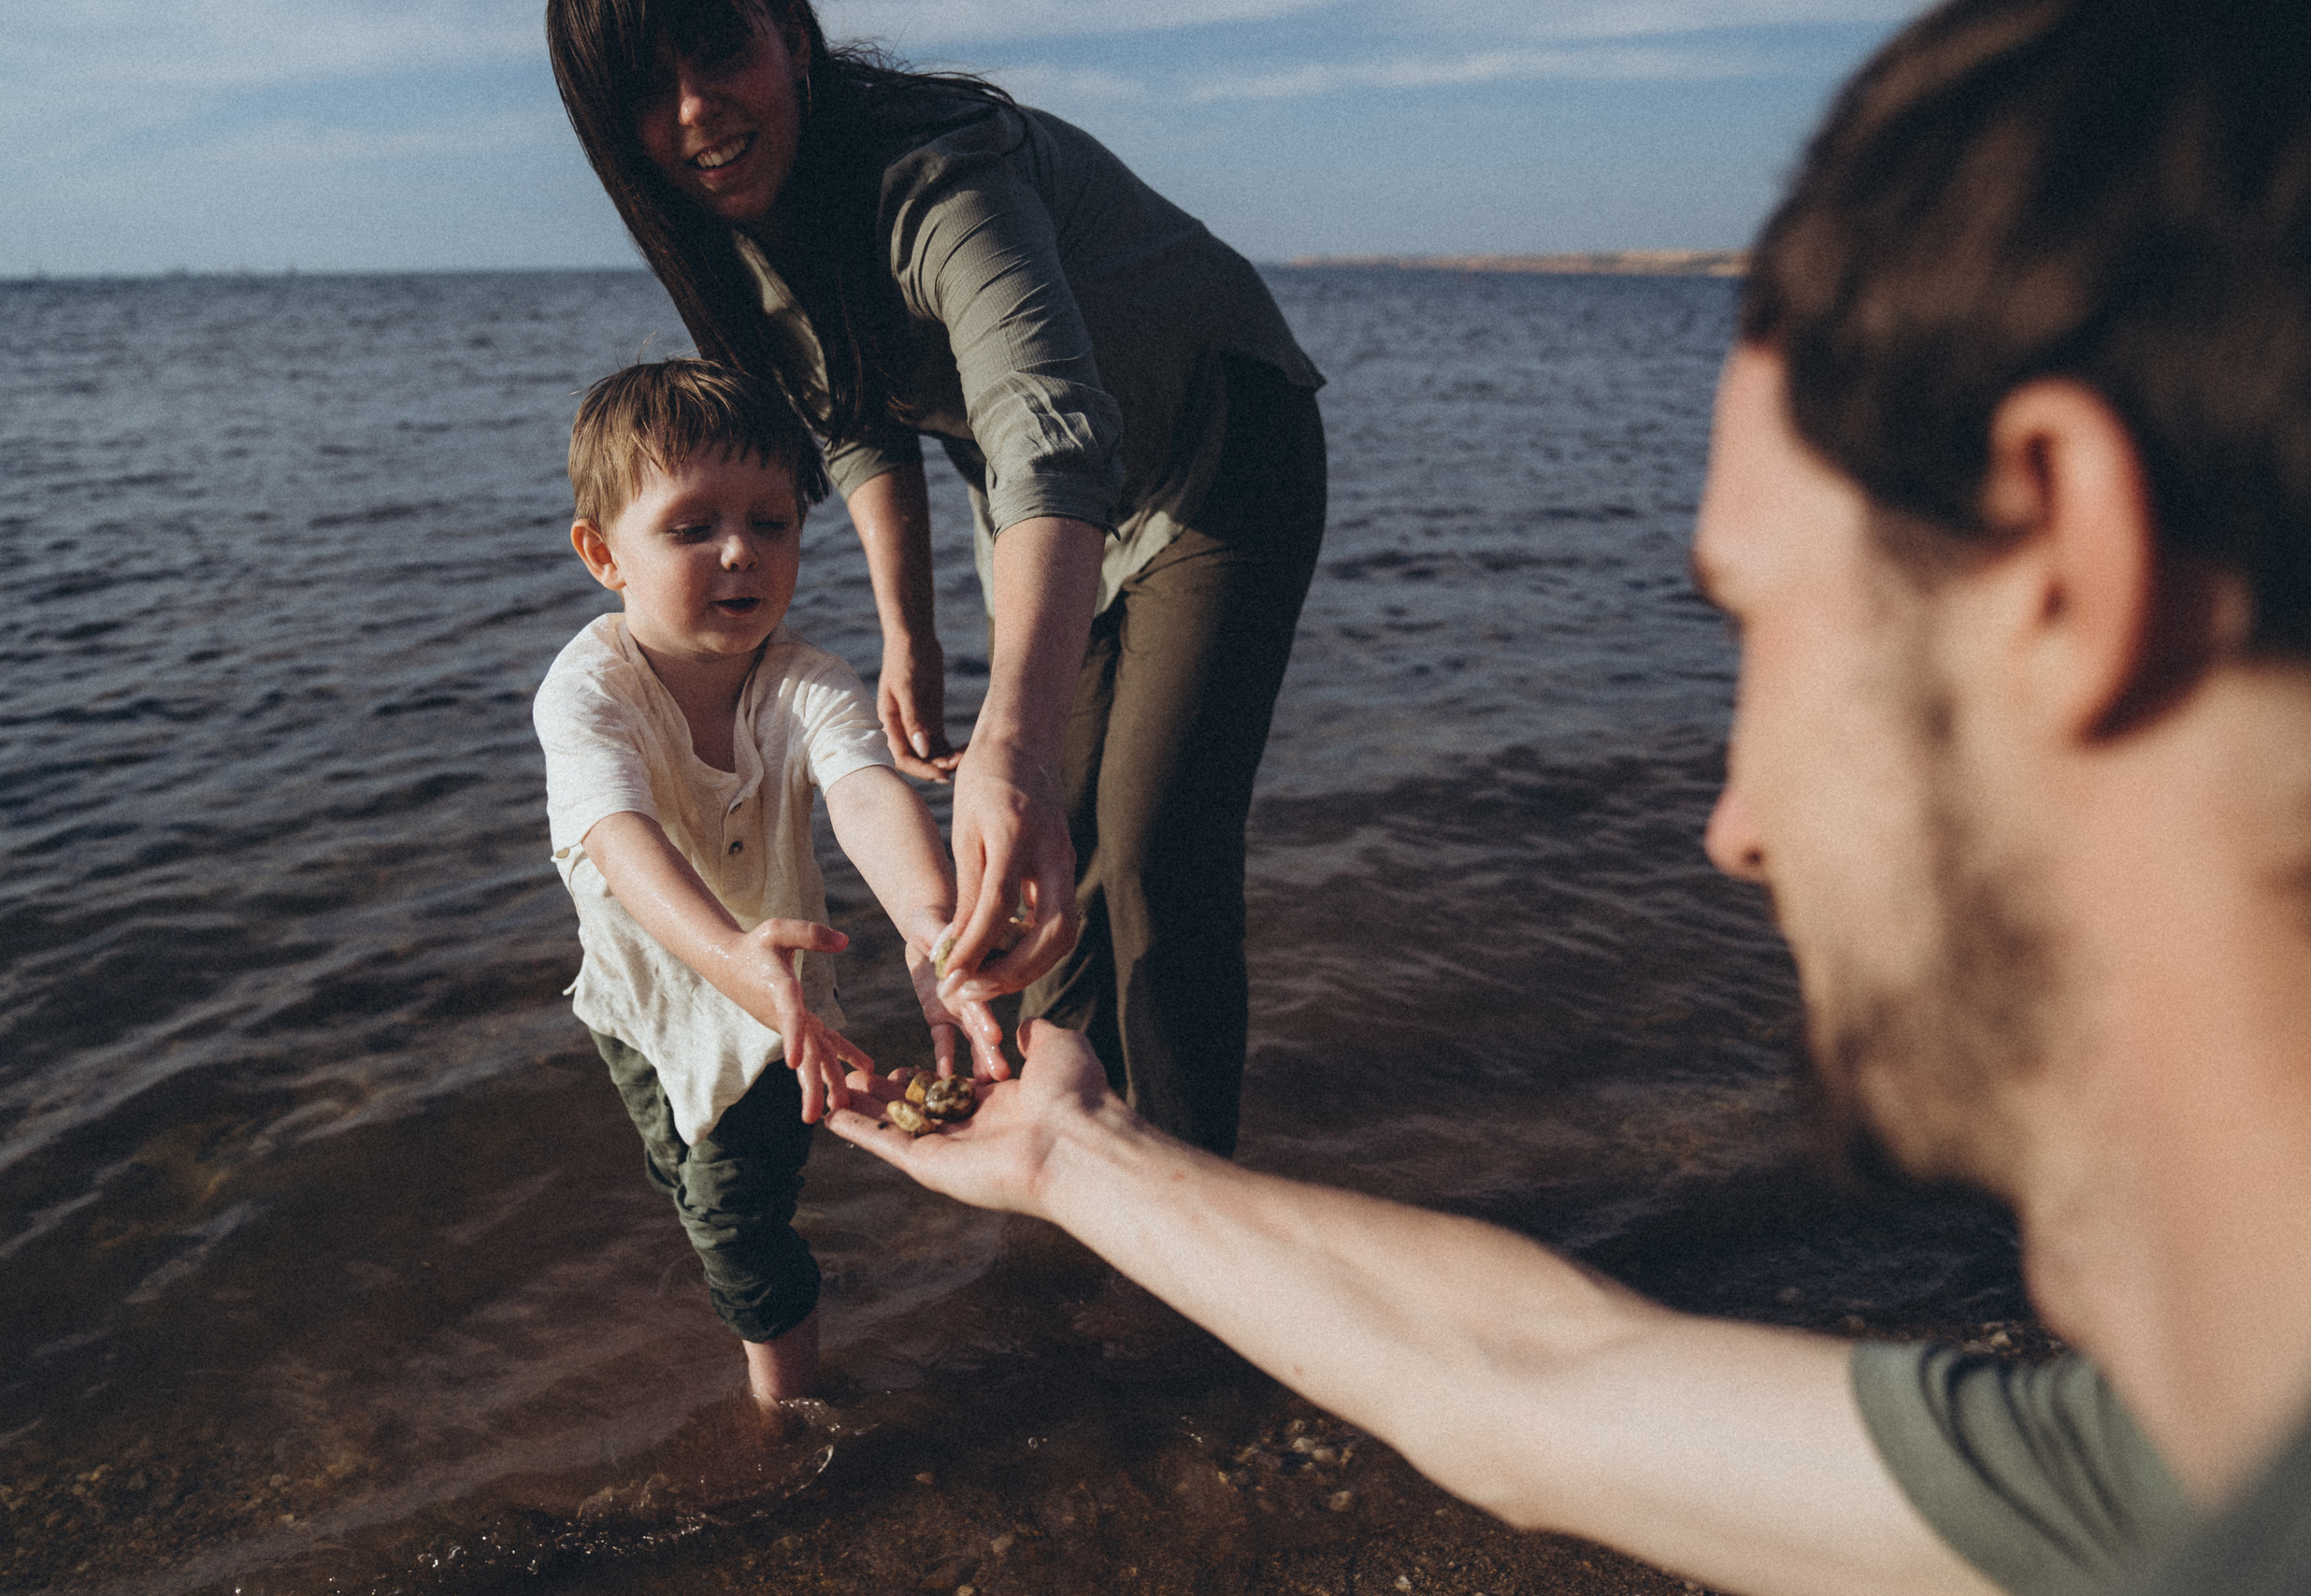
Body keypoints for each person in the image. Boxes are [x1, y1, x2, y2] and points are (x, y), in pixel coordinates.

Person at [828, 0, 2311, 1591]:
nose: (1731, 821)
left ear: (2071, 571)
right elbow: (1537, 1393)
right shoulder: (2171, 1471)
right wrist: (1075, 1156)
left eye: (1759, 624)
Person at [547, 0, 1327, 1157]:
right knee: (1042, 847)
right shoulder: (723, 229)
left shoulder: (941, 174)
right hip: (1060, 508)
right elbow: (848, 416)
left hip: (1215, 450)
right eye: (647, 90)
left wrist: (1008, 738)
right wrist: (905, 628)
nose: (696, 110)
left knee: (1152, 843)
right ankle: (1064, 1145)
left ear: (789, 37)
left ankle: (1192, 1193)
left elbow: (1043, 433)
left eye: (719, 52)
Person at [534, 359, 1001, 1413]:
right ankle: (757, 1302)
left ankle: (785, 1413)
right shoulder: (587, 692)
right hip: (638, 1006)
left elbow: (866, 793)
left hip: (775, 1024)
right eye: (692, 527)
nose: (741, 550)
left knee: (737, 1223)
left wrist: (931, 936)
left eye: (772, 522)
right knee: (682, 1183)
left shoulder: (806, 681)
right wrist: (727, 956)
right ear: (604, 553)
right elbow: (618, 837)